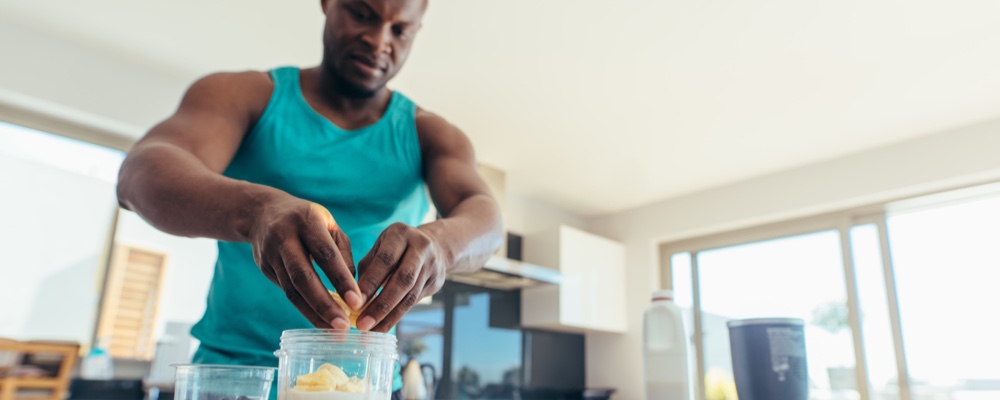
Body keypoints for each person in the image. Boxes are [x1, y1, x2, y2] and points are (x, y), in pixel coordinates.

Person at [116, 0, 503, 395]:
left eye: (400, 30)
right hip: (233, 380)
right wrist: (255, 210)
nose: (378, 41)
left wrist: (441, 245)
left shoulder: (431, 135)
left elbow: (487, 221)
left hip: (361, 385)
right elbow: (139, 175)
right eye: (362, 14)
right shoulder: (245, 95)